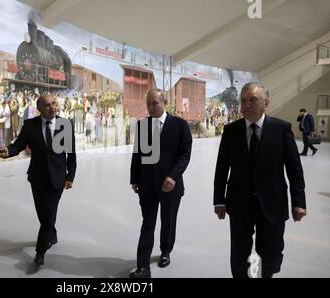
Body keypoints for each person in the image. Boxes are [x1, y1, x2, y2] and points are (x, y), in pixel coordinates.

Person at [213, 82, 307, 278]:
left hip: (272, 202)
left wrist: (299, 202)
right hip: (239, 203)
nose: (247, 105)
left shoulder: (281, 129)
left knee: (270, 254)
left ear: (266, 103)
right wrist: (219, 200)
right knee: (239, 254)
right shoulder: (231, 131)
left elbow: (294, 168)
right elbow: (222, 167)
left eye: (253, 100)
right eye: (244, 101)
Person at [0, 94, 76, 268]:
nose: (53, 107)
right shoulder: (30, 125)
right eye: (47, 105)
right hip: (37, 177)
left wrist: (70, 176)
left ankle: (40, 252)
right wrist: (8, 151)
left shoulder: (65, 125)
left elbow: (71, 154)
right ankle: (51, 234)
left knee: (48, 214)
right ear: (39, 109)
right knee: (43, 213)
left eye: (54, 103)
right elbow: (19, 145)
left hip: (57, 177)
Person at [129, 89, 192, 278]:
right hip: (147, 185)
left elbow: (184, 155)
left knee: (168, 221)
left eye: (154, 103)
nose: (150, 107)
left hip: (170, 185)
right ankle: (143, 266)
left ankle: (165, 251)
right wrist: (134, 178)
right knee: (147, 223)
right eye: (148, 103)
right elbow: (137, 154)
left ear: (164, 102)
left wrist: (172, 177)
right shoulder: (142, 125)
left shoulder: (180, 125)